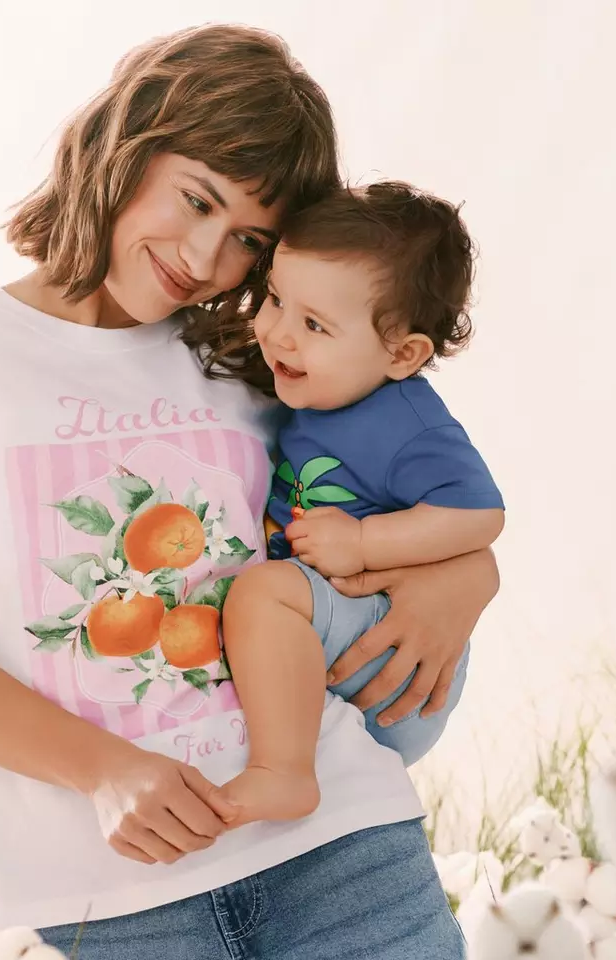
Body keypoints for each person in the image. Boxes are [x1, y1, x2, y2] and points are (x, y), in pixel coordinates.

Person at [0, 24, 499, 960]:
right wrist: (104, 772)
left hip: (345, 849)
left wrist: (471, 575)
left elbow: (419, 501)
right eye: (196, 198)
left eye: (247, 240)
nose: (205, 255)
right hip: (103, 895)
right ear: (125, 141)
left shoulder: (259, 362)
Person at [219, 182, 505, 826]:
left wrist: (363, 544)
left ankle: (283, 774)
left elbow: (481, 517)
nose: (277, 334)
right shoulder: (312, 388)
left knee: (262, 594)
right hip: (336, 638)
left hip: (393, 661)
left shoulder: (409, 426)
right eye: (275, 300)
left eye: (314, 325)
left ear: (403, 354)